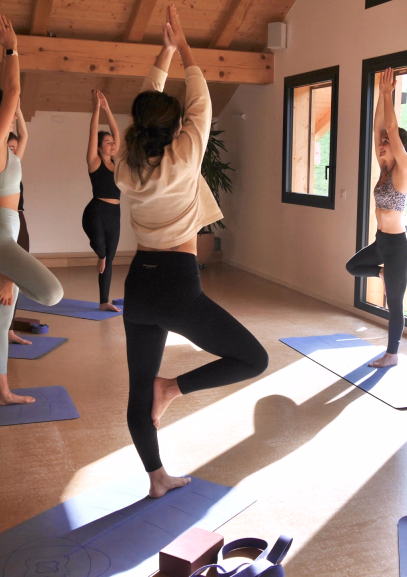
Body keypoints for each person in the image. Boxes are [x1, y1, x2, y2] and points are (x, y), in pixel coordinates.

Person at [115, 5, 268, 498]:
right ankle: (173, 389)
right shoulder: (185, 157)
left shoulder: (125, 166)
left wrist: (165, 53)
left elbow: (156, 103)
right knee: (253, 358)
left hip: (138, 283)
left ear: (138, 129)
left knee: (138, 389)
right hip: (178, 285)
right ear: (175, 126)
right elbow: (200, 94)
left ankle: (156, 478)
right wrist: (181, 45)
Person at [0, 15, 63, 405]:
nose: (13, 108)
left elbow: (14, 106)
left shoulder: (3, 148)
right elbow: (12, 90)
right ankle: (11, 276)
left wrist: (6, 75)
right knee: (53, 293)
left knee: (0, 319)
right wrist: (10, 49)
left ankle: (0, 392)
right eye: (7, 109)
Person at [345, 68, 407, 368]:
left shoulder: (403, 171)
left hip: (397, 249)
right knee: (353, 267)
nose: (380, 145)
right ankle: (381, 274)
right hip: (381, 242)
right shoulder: (385, 169)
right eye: (380, 143)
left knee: (394, 305)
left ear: (398, 147)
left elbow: (390, 126)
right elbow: (380, 126)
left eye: (386, 143)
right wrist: (379, 95)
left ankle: (392, 354)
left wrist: (389, 95)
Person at [82, 89, 123, 311]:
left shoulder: (117, 163)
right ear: (99, 147)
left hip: (114, 214)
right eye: (107, 142)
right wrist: (97, 108)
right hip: (95, 211)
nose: (111, 144)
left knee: (110, 260)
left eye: (111, 142)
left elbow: (117, 133)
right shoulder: (94, 162)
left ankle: (103, 301)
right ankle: (100, 255)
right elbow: (92, 132)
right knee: (102, 249)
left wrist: (108, 108)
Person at [7, 116, 33, 345]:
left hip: (20, 219)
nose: (14, 152)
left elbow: (24, 135)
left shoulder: (15, 163)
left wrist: (17, 109)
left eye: (15, 148)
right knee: (8, 275)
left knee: (19, 275)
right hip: (6, 221)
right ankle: (6, 328)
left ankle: (9, 328)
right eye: (9, 148)